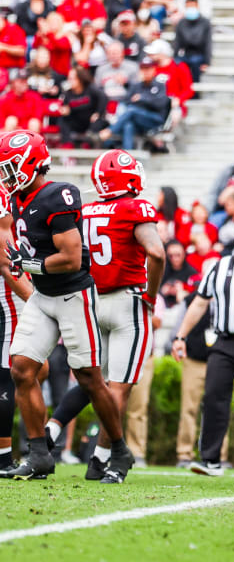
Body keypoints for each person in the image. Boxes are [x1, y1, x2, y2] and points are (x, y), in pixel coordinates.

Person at [1, 131, 133, 482]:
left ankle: (119, 451)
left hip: (72, 295)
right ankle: (39, 454)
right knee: (21, 369)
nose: (7, 177)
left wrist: (28, 265)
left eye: (11, 168)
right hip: (43, 297)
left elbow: (72, 259)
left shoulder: (56, 195)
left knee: (89, 378)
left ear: (31, 163)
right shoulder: (20, 199)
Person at [45, 150, 165, 481]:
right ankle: (102, 459)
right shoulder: (135, 207)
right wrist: (152, 296)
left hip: (92, 303)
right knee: (118, 388)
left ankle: (51, 432)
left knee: (92, 380)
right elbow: (156, 252)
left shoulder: (88, 210)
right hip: (127, 302)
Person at [171, 222, 234, 476]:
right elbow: (199, 303)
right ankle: (210, 458)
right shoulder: (220, 266)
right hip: (223, 341)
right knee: (214, 397)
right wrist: (180, 336)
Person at [0, 189, 33, 477]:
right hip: (5, 295)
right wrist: (38, 305)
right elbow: (6, 260)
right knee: (7, 373)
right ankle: (2, 457)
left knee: (35, 370)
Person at [99, 57, 170, 150]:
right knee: (128, 125)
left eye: (148, 68)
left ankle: (110, 131)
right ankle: (127, 156)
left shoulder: (160, 85)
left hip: (155, 120)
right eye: (143, 69)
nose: (145, 71)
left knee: (132, 111)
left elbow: (160, 104)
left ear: (153, 69)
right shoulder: (136, 86)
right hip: (137, 119)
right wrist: (142, 101)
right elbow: (127, 101)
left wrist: (142, 99)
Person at [58, 66, 108, 148]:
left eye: (72, 79)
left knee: (96, 122)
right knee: (63, 120)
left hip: (91, 120)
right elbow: (66, 108)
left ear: (80, 79)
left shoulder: (90, 89)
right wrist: (65, 111)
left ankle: (88, 145)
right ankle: (68, 145)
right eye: (69, 79)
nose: (69, 81)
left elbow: (103, 97)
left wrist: (98, 113)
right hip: (77, 121)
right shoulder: (68, 93)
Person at [173, 0, 212, 83]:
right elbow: (177, 42)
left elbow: (208, 43)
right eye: (189, 6)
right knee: (177, 64)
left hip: (199, 54)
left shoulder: (205, 22)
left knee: (195, 62)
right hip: (185, 54)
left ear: (197, 6)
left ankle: (195, 93)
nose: (191, 8)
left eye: (193, 6)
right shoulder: (181, 23)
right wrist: (174, 57)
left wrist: (207, 62)